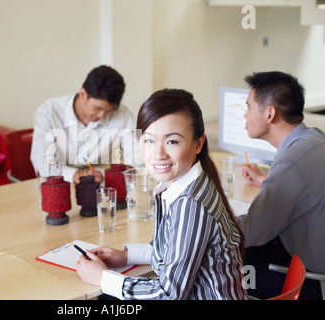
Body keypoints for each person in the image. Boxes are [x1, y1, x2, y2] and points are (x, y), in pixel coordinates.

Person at [76, 88, 246, 300]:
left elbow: (169, 295)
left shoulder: (191, 204)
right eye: (148, 140)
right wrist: (127, 256)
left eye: (172, 141)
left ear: (198, 143)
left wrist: (103, 278)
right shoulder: (182, 184)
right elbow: (174, 251)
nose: (158, 154)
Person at [237, 71, 325, 300]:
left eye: (248, 107)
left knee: (229, 258)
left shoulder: (290, 161)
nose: (244, 116)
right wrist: (265, 180)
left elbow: (248, 233)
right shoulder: (313, 138)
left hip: (310, 281)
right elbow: (306, 188)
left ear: (270, 113)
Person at [30, 65, 141, 184]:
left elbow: (139, 156)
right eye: (98, 108)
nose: (102, 115)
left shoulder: (123, 114)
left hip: (105, 183)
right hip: (60, 184)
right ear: (83, 93)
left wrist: (130, 169)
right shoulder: (48, 113)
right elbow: (41, 162)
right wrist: (74, 174)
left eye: (109, 110)